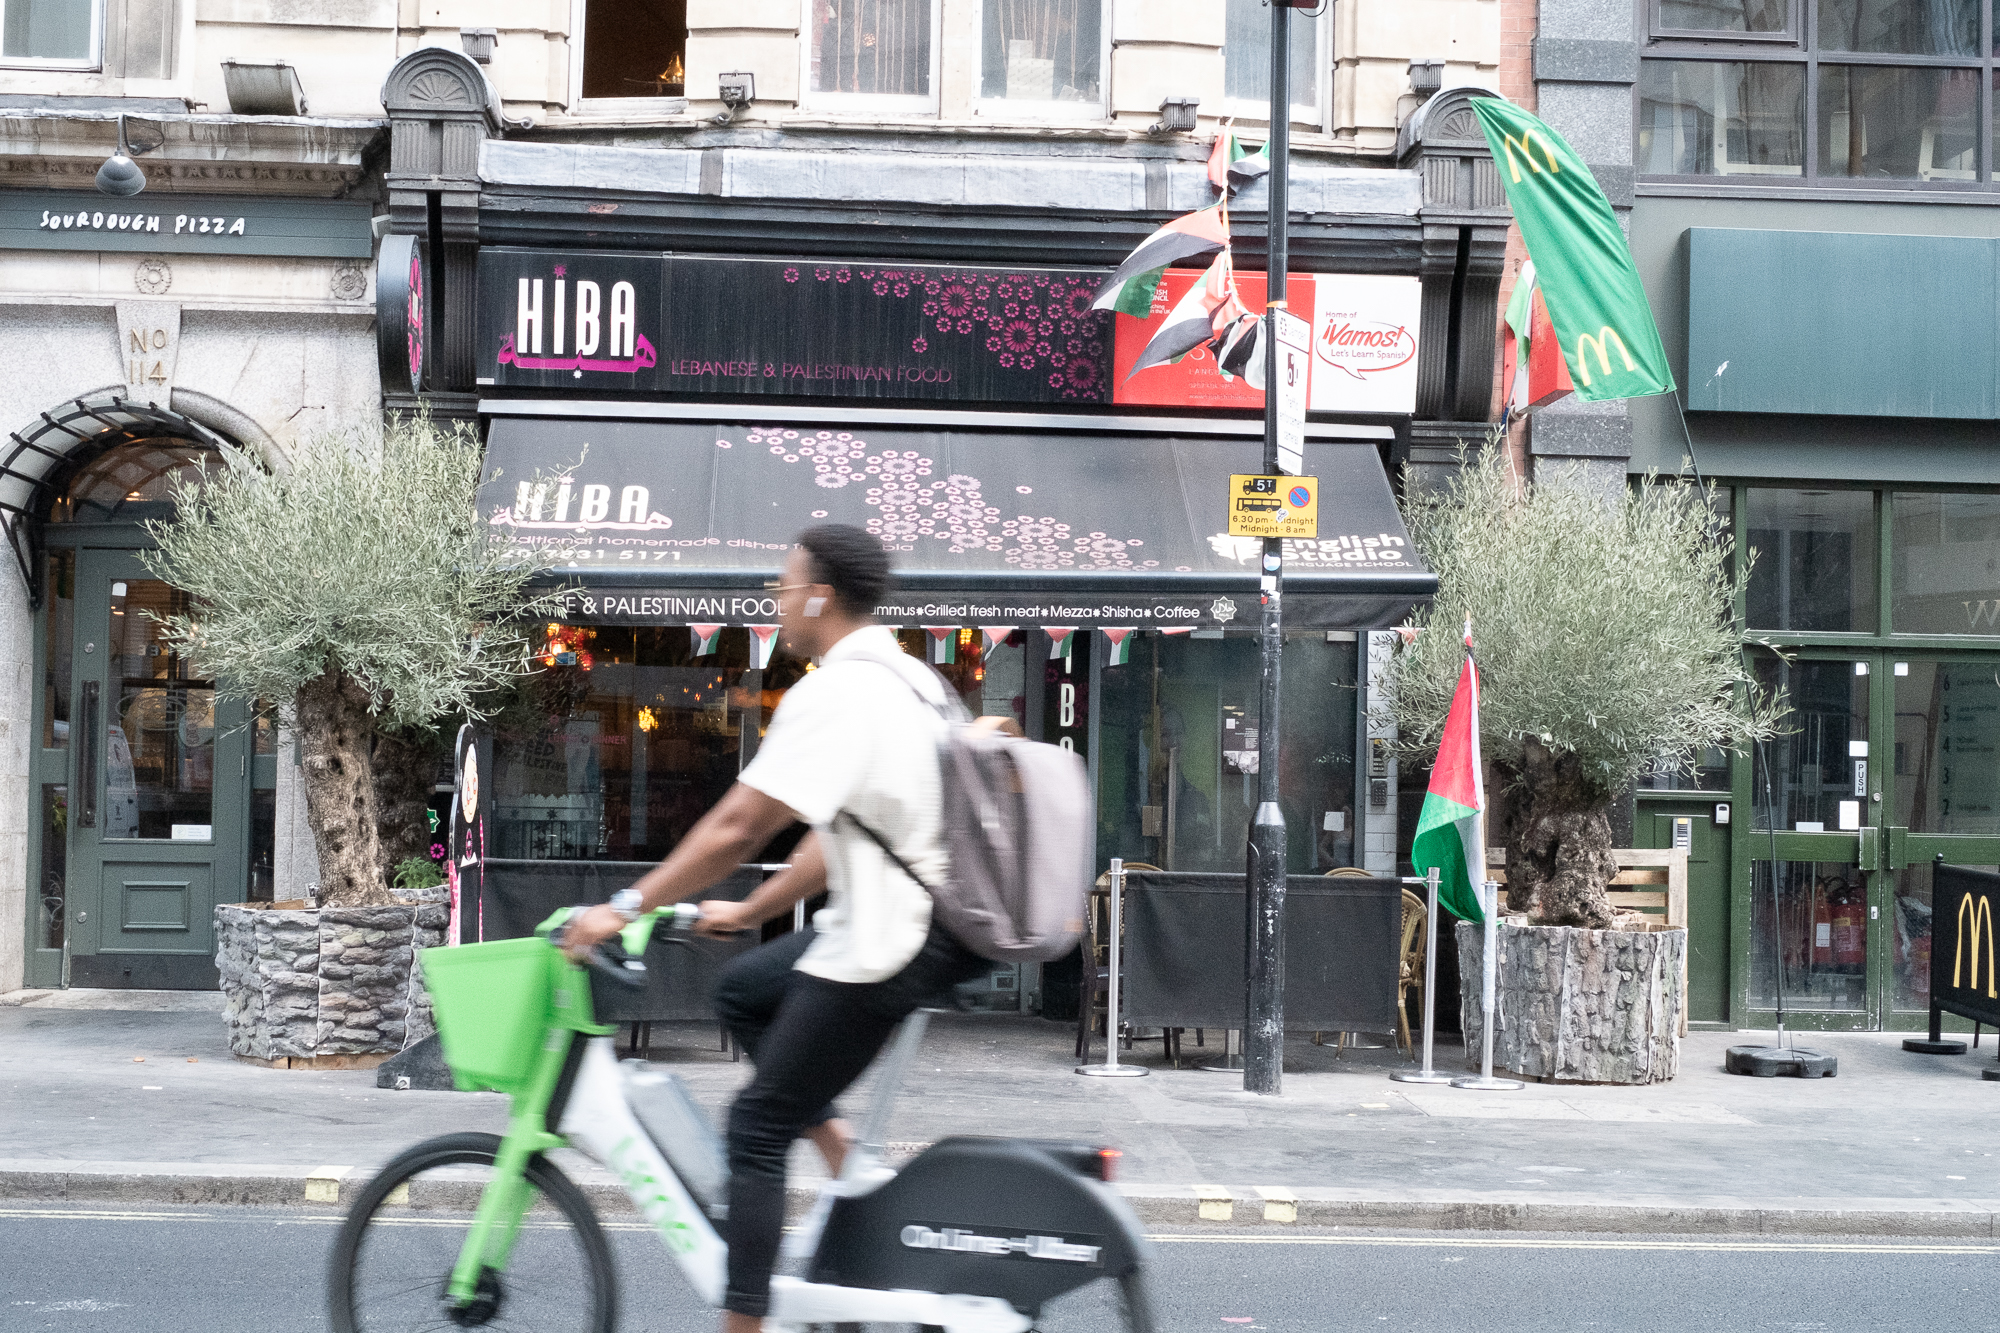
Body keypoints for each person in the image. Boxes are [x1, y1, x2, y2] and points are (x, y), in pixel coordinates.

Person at [560, 524, 986, 1332]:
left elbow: (738, 825)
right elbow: (841, 831)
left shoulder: (840, 691)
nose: (776, 602)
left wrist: (624, 905)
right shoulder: (911, 677)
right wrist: (752, 912)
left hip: (893, 936)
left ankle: (744, 1322)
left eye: (782, 587)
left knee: (755, 1127)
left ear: (820, 596)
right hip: (916, 919)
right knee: (744, 991)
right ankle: (841, 1153)